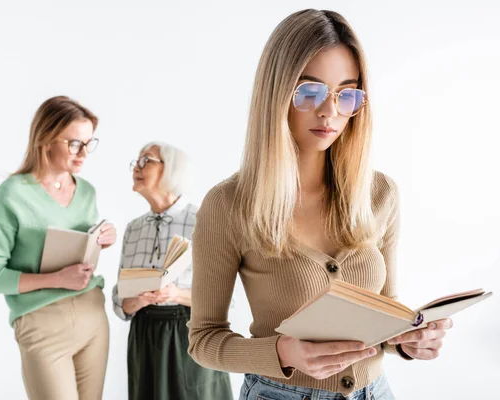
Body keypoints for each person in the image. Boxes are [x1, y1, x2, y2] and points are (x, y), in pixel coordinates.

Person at [188, 9, 452, 400]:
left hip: (376, 392)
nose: (330, 112)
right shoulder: (228, 205)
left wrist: (408, 338)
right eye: (309, 92)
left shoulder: (380, 193)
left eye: (347, 94)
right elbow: (204, 341)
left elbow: (385, 309)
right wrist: (282, 352)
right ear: (276, 92)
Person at [0, 96, 116, 400]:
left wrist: (103, 238)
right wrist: (57, 280)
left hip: (92, 317)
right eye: (75, 143)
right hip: (42, 323)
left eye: (89, 143)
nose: (84, 153)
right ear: (47, 138)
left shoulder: (86, 191)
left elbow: (79, 251)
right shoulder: (13, 194)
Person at [112, 142, 233, 400]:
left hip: (187, 331)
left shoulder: (203, 220)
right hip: (144, 333)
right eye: (136, 160)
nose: (137, 166)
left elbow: (225, 299)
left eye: (147, 160)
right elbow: (119, 299)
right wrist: (137, 300)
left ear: (172, 170)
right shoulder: (134, 228)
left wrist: (174, 293)